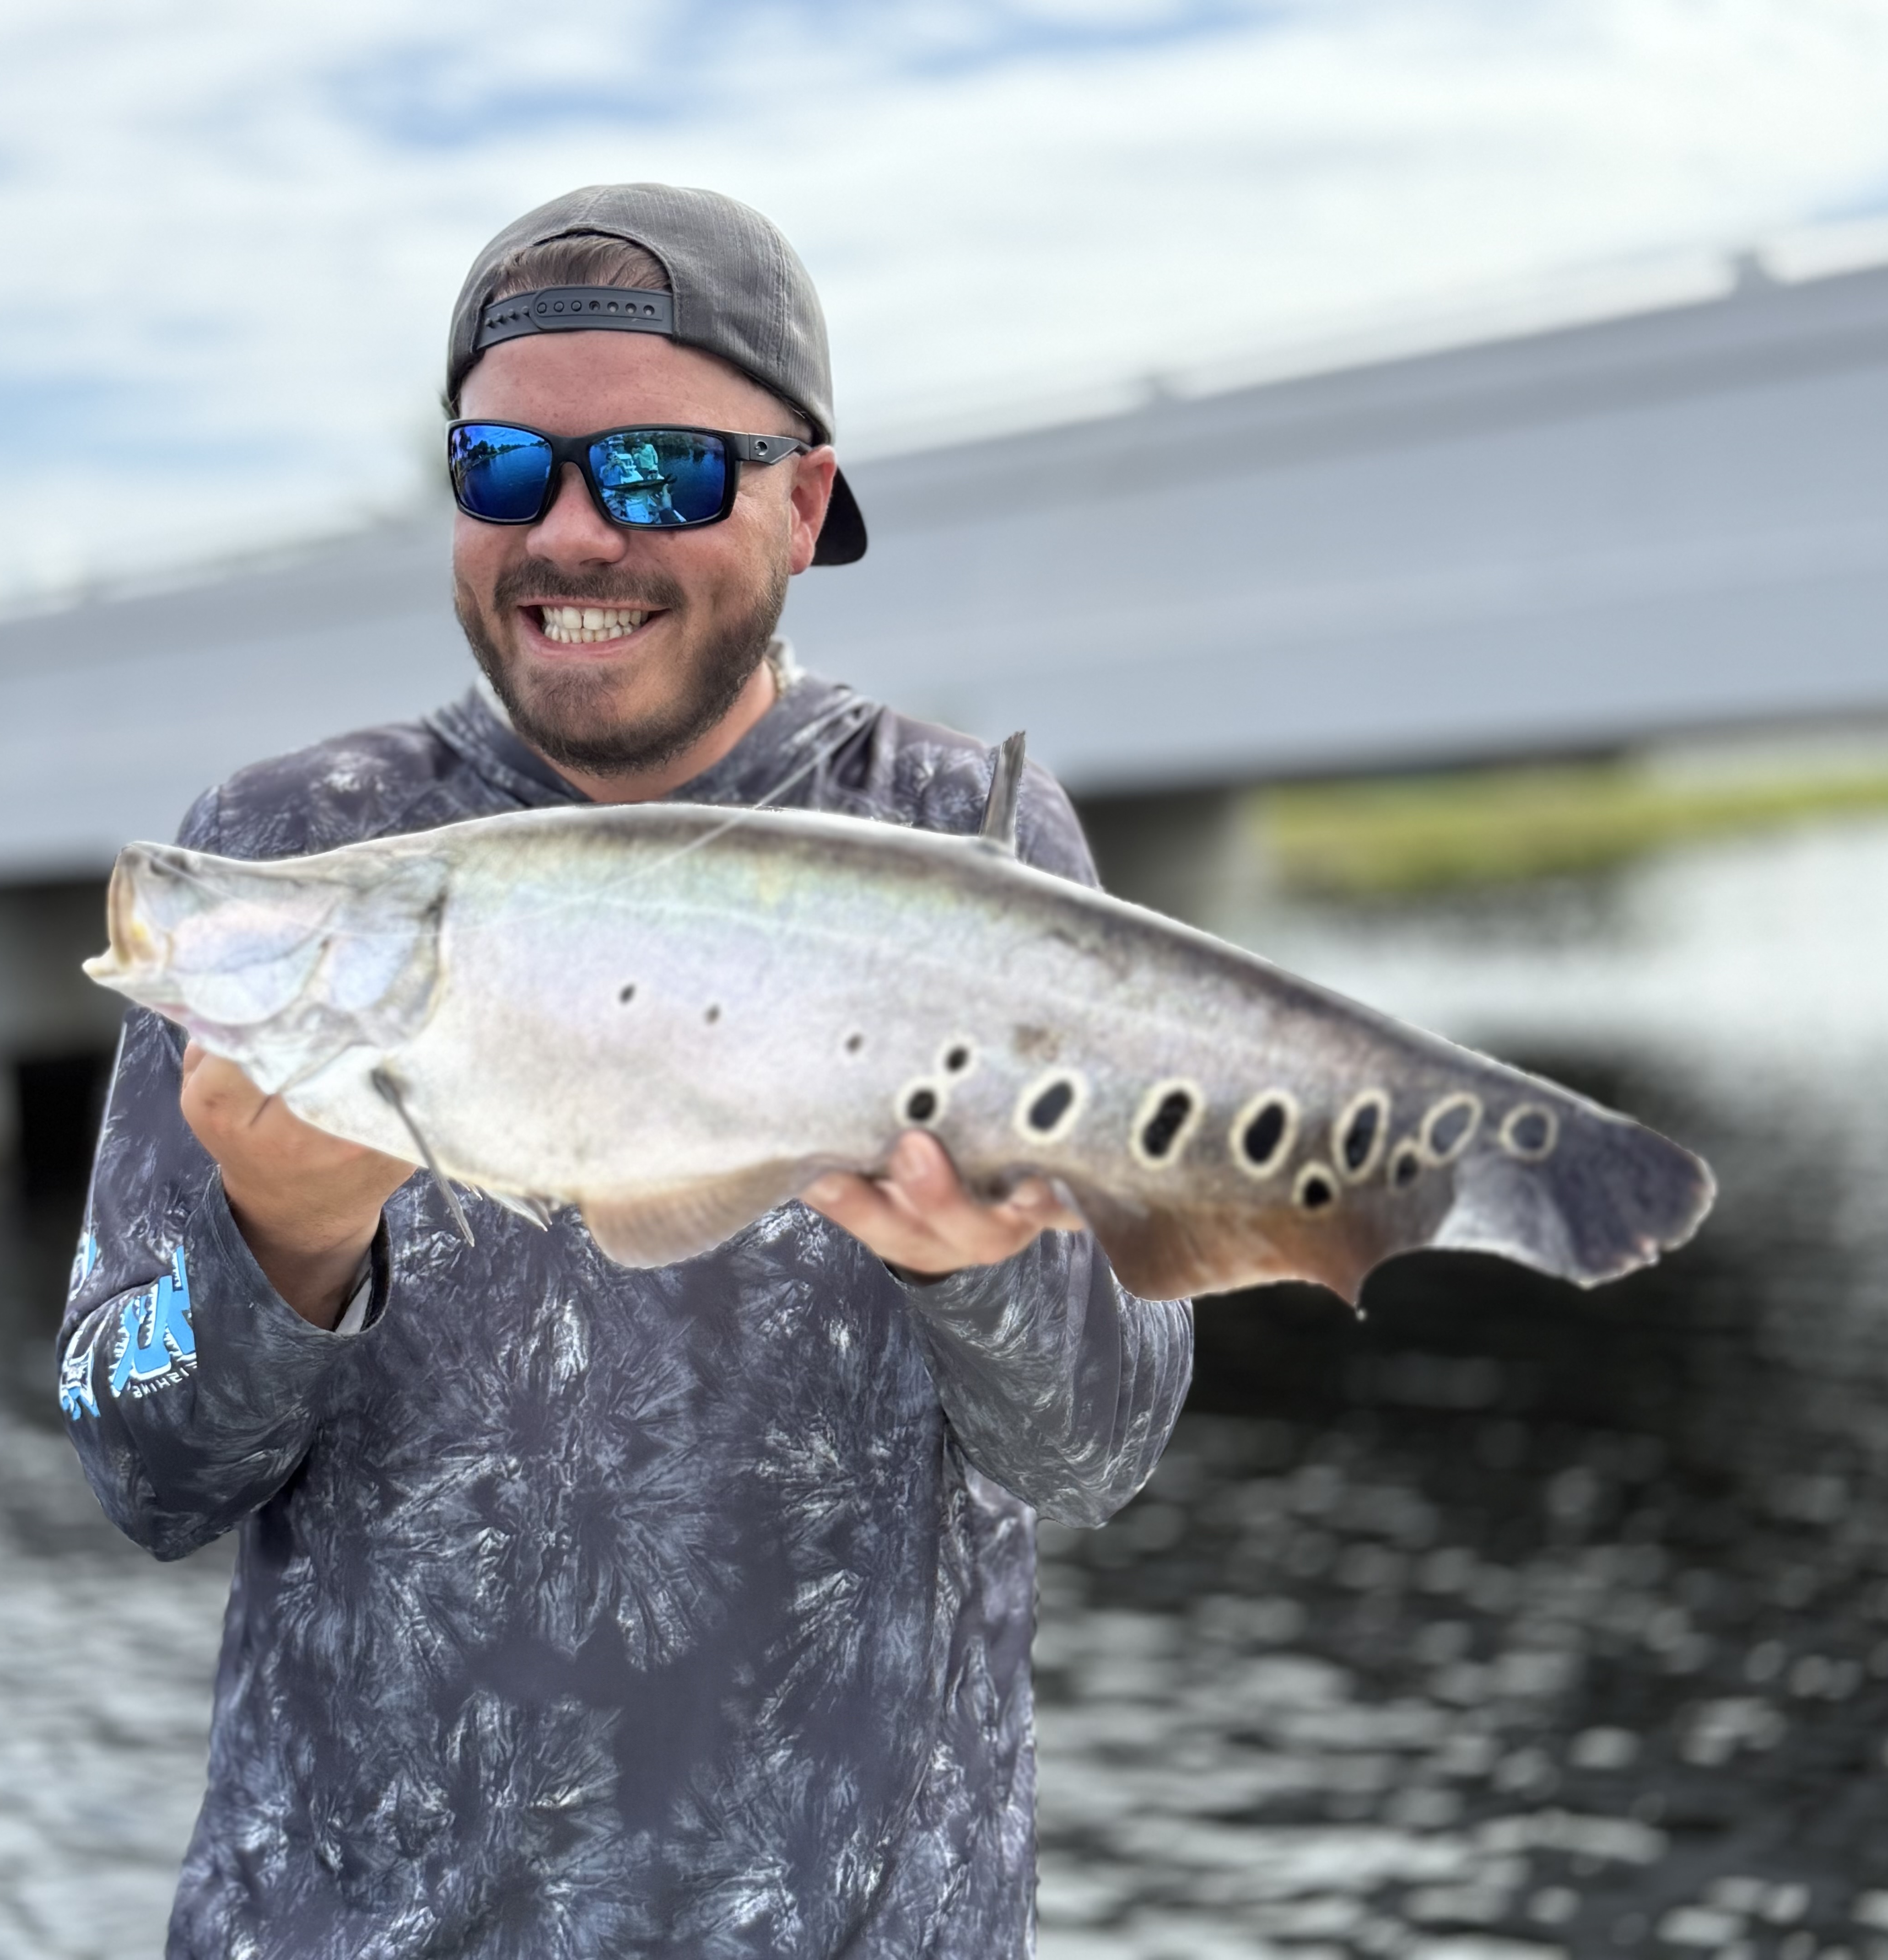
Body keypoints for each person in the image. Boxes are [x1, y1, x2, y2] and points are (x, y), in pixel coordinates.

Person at [58, 183, 1194, 1960]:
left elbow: (1103, 1447)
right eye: (505, 468)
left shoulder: (962, 842)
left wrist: (990, 1272)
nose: (574, 534)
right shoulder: (288, 861)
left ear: (804, 501)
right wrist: (272, 1251)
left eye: (660, 472)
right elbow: (137, 1464)